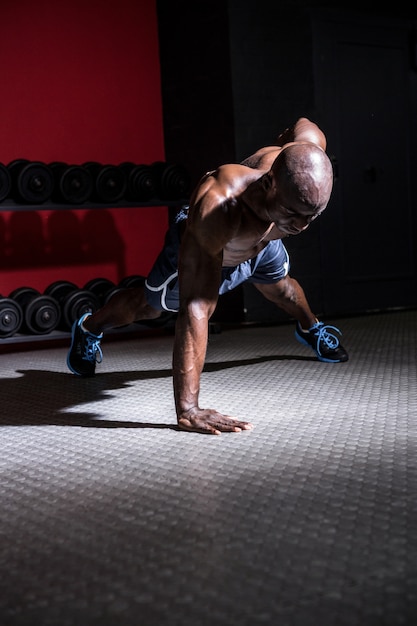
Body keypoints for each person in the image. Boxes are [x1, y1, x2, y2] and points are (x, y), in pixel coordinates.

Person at [67, 117, 348, 435]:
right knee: (149, 307)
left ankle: (311, 328)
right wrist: (188, 409)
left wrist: (288, 208)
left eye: (312, 216)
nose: (301, 227)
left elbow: (303, 123)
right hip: (211, 249)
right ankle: (90, 328)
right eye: (293, 214)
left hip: (262, 245)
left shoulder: (305, 150)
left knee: (282, 289)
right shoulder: (219, 207)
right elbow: (197, 308)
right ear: (270, 183)